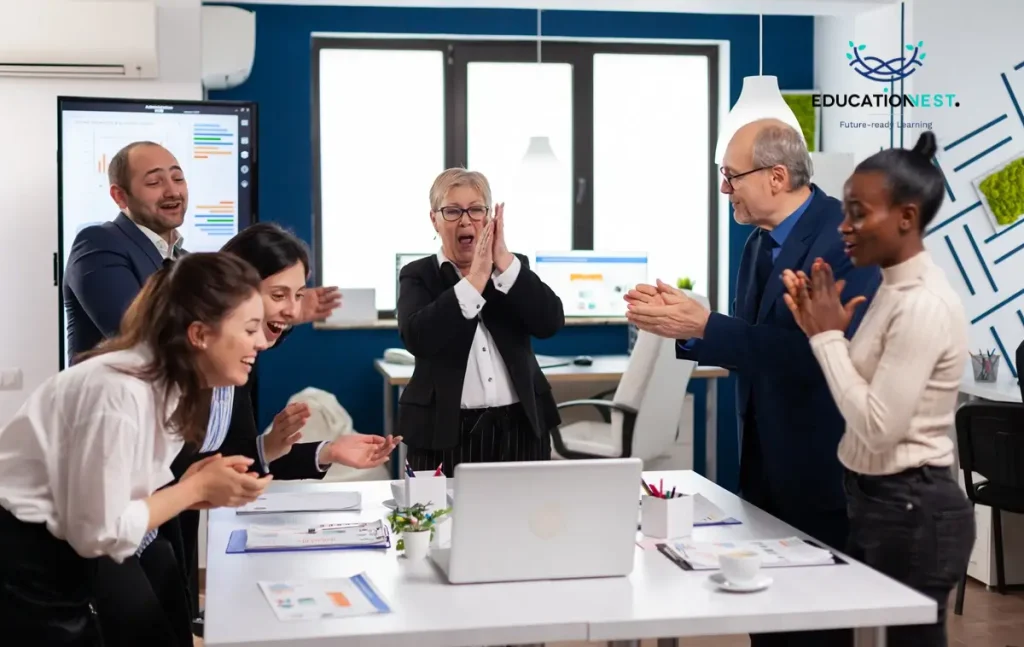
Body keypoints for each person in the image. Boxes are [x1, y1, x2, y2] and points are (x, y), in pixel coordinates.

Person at [626, 119, 881, 647]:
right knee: (767, 620)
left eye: (731, 175)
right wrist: (694, 329)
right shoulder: (757, 244)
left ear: (776, 176)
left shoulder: (844, 241)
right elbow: (755, 344)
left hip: (821, 469)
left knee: (814, 626)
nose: (724, 189)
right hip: (764, 468)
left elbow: (820, 356)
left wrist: (704, 325)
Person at [0, 252, 274, 645]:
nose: (262, 342)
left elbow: (116, 495)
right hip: (25, 563)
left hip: (62, 561)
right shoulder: (118, 392)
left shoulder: (171, 388)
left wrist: (193, 490)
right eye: (250, 329)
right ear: (199, 334)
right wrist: (190, 490)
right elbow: (98, 530)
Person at [782, 131, 975, 647]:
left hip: (912, 509)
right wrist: (823, 333)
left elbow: (877, 426)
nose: (844, 227)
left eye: (858, 214)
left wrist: (826, 339)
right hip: (879, 501)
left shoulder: (922, 305)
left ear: (907, 218)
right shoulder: (891, 291)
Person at [162, 222, 401, 631]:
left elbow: (238, 460)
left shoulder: (238, 367)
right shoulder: (179, 371)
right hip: (137, 532)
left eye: (297, 296)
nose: (290, 311)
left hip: (172, 533)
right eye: (278, 296)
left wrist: (327, 451)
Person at [396, 168, 564, 474]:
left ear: (489, 218)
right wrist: (473, 280)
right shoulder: (418, 274)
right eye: (452, 211)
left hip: (521, 429)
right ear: (434, 219)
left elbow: (549, 322)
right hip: (445, 433)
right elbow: (417, 337)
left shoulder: (513, 269)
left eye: (475, 209)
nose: (465, 220)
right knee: (441, 520)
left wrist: (504, 263)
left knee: (523, 519)